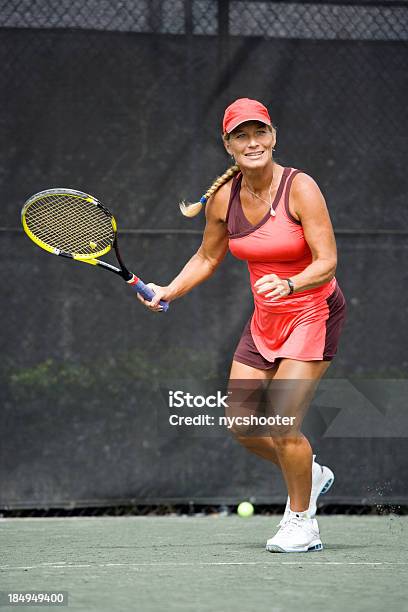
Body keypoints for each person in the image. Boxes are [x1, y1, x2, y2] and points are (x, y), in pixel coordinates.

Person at [137, 98, 347, 553]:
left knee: (281, 421)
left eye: (259, 133)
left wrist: (290, 284)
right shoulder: (222, 199)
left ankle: (301, 522)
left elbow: (328, 262)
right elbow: (208, 256)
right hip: (265, 319)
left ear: (272, 137)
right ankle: (309, 472)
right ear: (228, 145)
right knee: (242, 425)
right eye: (241, 136)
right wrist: (169, 290)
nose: (252, 143)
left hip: (312, 311)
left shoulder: (300, 188)